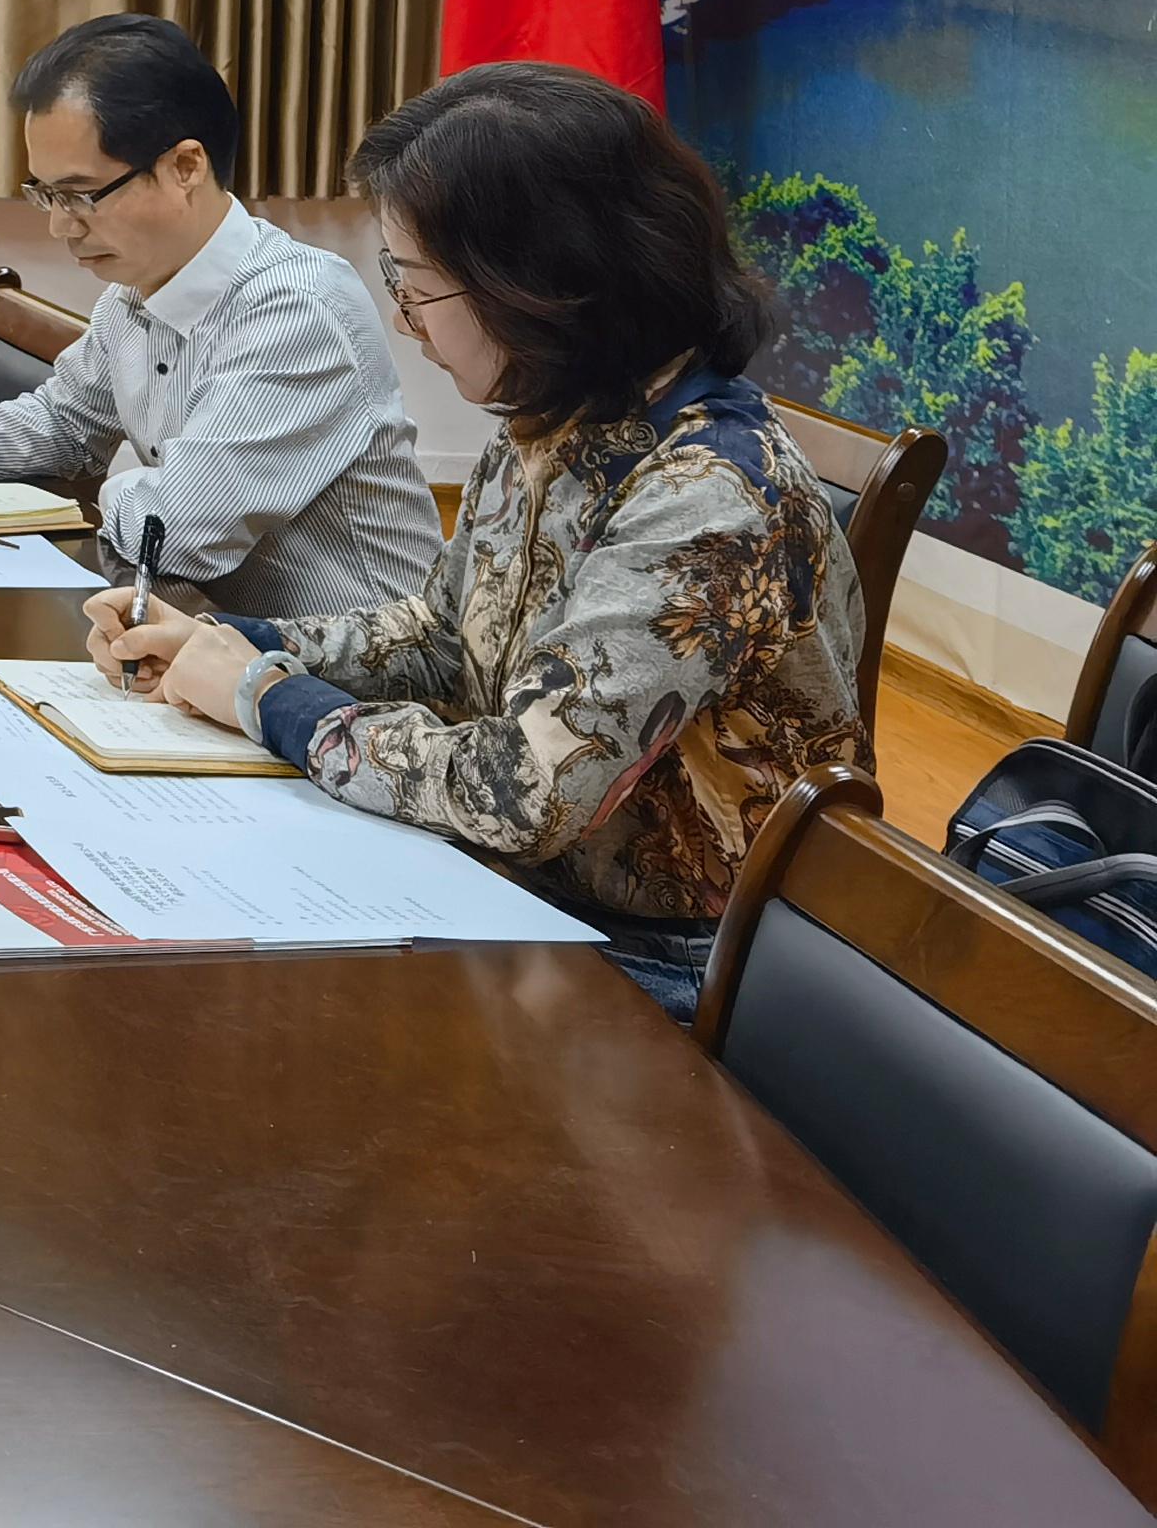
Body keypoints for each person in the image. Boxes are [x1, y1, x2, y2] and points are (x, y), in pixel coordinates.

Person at [91, 61, 870, 1015]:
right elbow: (444, 635)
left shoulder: (706, 498)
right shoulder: (553, 418)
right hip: (525, 892)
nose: (401, 319)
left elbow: (527, 790)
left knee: (248, 1004)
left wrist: (268, 697)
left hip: (685, 963)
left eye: (416, 286)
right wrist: (236, 643)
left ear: (541, 283)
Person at [0, 13, 439, 617]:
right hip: (201, 633)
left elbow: (176, 529)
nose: (61, 226)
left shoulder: (295, 311)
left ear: (185, 167)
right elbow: (67, 422)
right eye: (47, 195)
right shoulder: (135, 290)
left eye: (81, 195)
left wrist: (128, 486)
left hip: (351, 668)